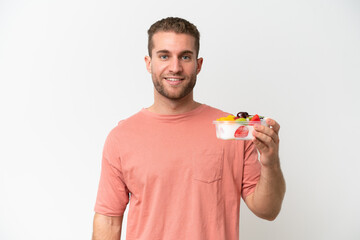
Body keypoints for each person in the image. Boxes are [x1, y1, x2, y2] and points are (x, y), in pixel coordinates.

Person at [92, 17, 285, 240]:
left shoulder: (231, 130)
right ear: (148, 63)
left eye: (185, 57)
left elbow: (268, 210)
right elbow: (108, 220)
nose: (175, 67)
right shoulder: (121, 138)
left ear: (198, 64)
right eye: (164, 56)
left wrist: (270, 162)